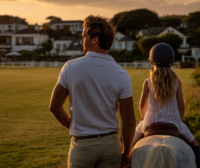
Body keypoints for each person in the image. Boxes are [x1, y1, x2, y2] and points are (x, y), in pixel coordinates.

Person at [49, 15, 136, 168]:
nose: (82, 41)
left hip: (83, 145)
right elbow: (129, 121)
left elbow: (54, 106)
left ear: (95, 40)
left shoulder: (71, 67)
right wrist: (127, 153)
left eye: (84, 37)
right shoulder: (122, 74)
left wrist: (73, 127)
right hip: (111, 146)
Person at [132, 43, 200, 168]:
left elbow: (142, 106)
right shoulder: (177, 82)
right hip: (174, 123)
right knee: (195, 145)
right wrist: (179, 121)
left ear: (152, 61)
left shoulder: (148, 82)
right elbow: (181, 107)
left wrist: (143, 119)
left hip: (149, 122)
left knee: (129, 146)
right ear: (171, 62)